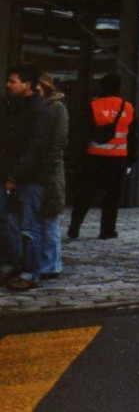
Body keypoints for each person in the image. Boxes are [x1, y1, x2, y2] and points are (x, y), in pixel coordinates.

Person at [0, 63, 53, 291]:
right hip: (8, 174)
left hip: (29, 177)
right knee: (6, 223)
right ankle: (11, 264)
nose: (8, 85)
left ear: (27, 84)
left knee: (29, 227)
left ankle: (30, 273)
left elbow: (35, 147)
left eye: (13, 81)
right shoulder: (11, 106)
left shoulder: (39, 111)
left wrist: (16, 174)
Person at [68, 73, 135, 241]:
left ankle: (74, 228)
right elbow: (134, 136)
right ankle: (107, 231)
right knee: (111, 197)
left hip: (94, 157)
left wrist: (78, 158)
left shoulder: (93, 106)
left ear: (102, 87)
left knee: (85, 195)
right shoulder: (128, 107)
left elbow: (82, 133)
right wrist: (131, 160)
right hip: (118, 158)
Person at [37, 73, 68, 280]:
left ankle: (51, 264)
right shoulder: (35, 107)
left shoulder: (56, 108)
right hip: (36, 170)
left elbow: (59, 140)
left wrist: (50, 166)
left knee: (49, 218)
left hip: (49, 170)